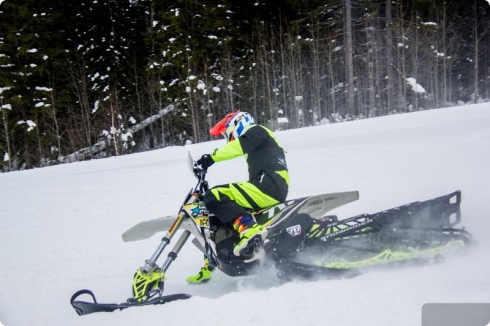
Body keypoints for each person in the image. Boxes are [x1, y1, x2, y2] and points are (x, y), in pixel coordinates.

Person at [186, 110, 289, 284]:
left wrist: (210, 158)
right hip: (267, 186)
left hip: (269, 186)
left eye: (227, 133)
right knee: (217, 213)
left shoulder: (259, 131)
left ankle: (250, 229)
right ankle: (210, 264)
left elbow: (239, 146)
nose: (228, 138)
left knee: (216, 194)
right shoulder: (257, 146)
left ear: (237, 124)